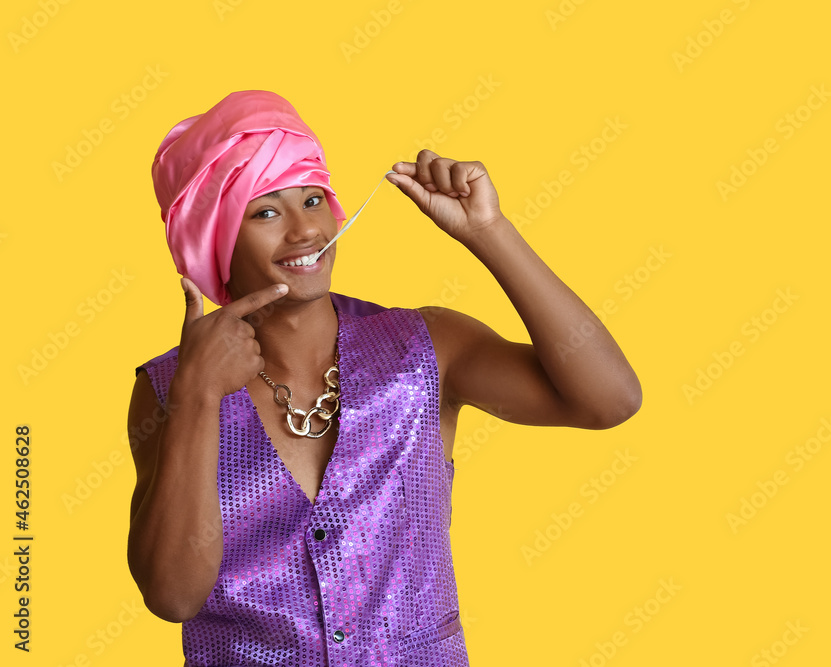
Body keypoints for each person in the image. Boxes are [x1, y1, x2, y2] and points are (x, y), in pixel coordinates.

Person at [126, 90, 641, 666]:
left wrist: (489, 231)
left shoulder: (428, 346)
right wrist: (197, 394)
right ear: (216, 239)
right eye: (266, 211)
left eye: (313, 198)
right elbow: (172, 595)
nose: (304, 231)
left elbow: (611, 400)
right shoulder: (167, 387)